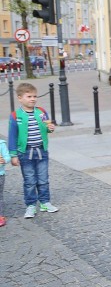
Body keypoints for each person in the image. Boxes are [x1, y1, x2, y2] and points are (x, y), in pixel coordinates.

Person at [8, 82, 58, 218]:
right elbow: (12, 136)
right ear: (20, 98)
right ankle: (30, 205)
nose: (33, 99)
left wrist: (50, 128)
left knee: (43, 179)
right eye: (29, 96)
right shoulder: (15, 115)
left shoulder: (41, 112)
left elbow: (47, 127)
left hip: (41, 151)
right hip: (25, 153)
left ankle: (45, 202)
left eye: (35, 96)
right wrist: (13, 155)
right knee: (29, 180)